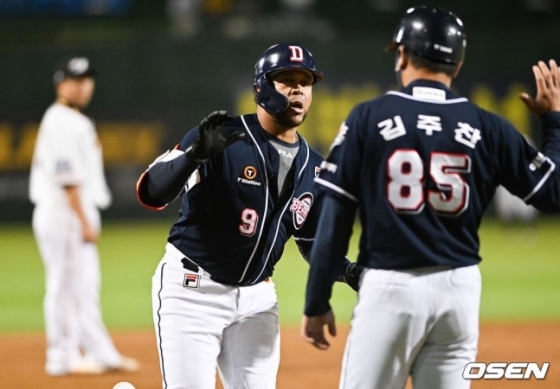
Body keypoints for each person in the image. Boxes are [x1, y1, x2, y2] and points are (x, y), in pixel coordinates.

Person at [301, 6, 560, 389]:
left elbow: (334, 218)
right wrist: (553, 120)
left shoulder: (369, 117)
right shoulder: (488, 126)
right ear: (457, 64)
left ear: (402, 55)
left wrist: (316, 301)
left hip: (390, 288)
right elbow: (552, 192)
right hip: (460, 292)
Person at [136, 43, 360, 389]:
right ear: (262, 87)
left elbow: (312, 241)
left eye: (306, 81)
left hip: (257, 301)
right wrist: (192, 157)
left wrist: (346, 270)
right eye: (287, 79)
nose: (299, 88)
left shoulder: (315, 166)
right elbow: (151, 193)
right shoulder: (220, 137)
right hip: (193, 291)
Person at [29, 56, 139, 376]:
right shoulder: (62, 120)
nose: (83, 85)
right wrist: (84, 219)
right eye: (76, 80)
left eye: (87, 79)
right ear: (60, 84)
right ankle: (61, 356)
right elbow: (68, 180)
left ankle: (100, 352)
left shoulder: (74, 118)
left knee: (85, 287)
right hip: (65, 211)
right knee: (64, 287)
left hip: (73, 210)